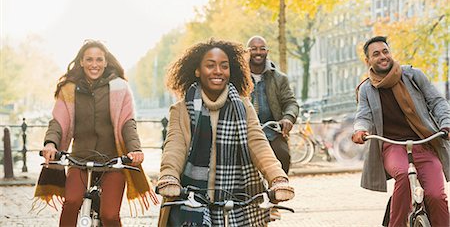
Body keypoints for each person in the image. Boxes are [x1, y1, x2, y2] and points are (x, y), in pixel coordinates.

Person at [156, 39, 295, 226]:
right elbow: (175, 146)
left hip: (237, 201)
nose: (218, 71)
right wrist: (169, 176)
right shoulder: (181, 109)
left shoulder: (244, 106)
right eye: (210, 65)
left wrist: (277, 178)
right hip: (193, 200)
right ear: (197, 70)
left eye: (224, 66)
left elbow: (258, 144)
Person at [34, 40, 158, 226]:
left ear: (106, 62)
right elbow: (58, 122)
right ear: (81, 62)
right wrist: (50, 143)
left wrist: (135, 150)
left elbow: (127, 124)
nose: (94, 64)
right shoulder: (68, 89)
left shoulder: (120, 88)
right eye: (89, 59)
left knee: (109, 215)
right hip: (79, 160)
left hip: (113, 162)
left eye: (99, 59)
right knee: (71, 202)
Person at [352, 36, 450, 227]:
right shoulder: (366, 89)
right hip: (393, 146)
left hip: (425, 142)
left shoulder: (413, 76)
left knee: (436, 196)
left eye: (385, 51)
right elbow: (363, 115)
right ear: (368, 61)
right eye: (376, 54)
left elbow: (437, 102)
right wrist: (360, 130)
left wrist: (446, 124)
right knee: (404, 176)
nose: (383, 56)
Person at [246, 36, 299, 174]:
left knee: (283, 156)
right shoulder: (239, 78)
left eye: (262, 49)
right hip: (246, 133)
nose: (258, 52)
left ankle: (279, 190)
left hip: (272, 131)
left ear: (267, 52)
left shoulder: (279, 78)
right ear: (247, 52)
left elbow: (290, 102)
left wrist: (288, 118)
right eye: (254, 49)